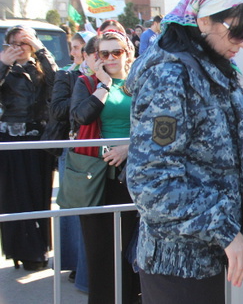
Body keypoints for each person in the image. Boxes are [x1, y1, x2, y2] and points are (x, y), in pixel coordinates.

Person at [126, 0, 243, 304]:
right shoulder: (171, 74)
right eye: (238, 31)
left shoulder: (207, 68)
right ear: (204, 21)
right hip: (176, 266)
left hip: (200, 261)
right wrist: (225, 230)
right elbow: (151, 182)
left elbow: (221, 165)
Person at [71, 31, 140, 304]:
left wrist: (129, 147)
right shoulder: (86, 83)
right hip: (98, 176)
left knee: (132, 250)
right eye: (104, 54)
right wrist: (104, 85)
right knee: (100, 253)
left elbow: (157, 126)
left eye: (117, 52)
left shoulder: (140, 84)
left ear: (128, 54)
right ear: (96, 58)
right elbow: (81, 117)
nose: (111, 58)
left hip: (135, 174)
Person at [0, 25, 58, 270]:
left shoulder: (40, 67)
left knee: (38, 196)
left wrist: (40, 48)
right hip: (10, 141)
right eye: (14, 43)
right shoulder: (5, 68)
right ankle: (19, 251)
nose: (19, 48)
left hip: (37, 140)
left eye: (24, 43)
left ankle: (38, 249)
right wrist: (3, 63)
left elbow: (58, 81)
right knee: (14, 198)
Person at [50, 34, 97, 291]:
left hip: (105, 155)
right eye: (76, 49)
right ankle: (78, 269)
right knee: (78, 214)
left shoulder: (121, 80)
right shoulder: (69, 77)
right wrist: (86, 93)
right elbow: (60, 110)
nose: (77, 53)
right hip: (78, 151)